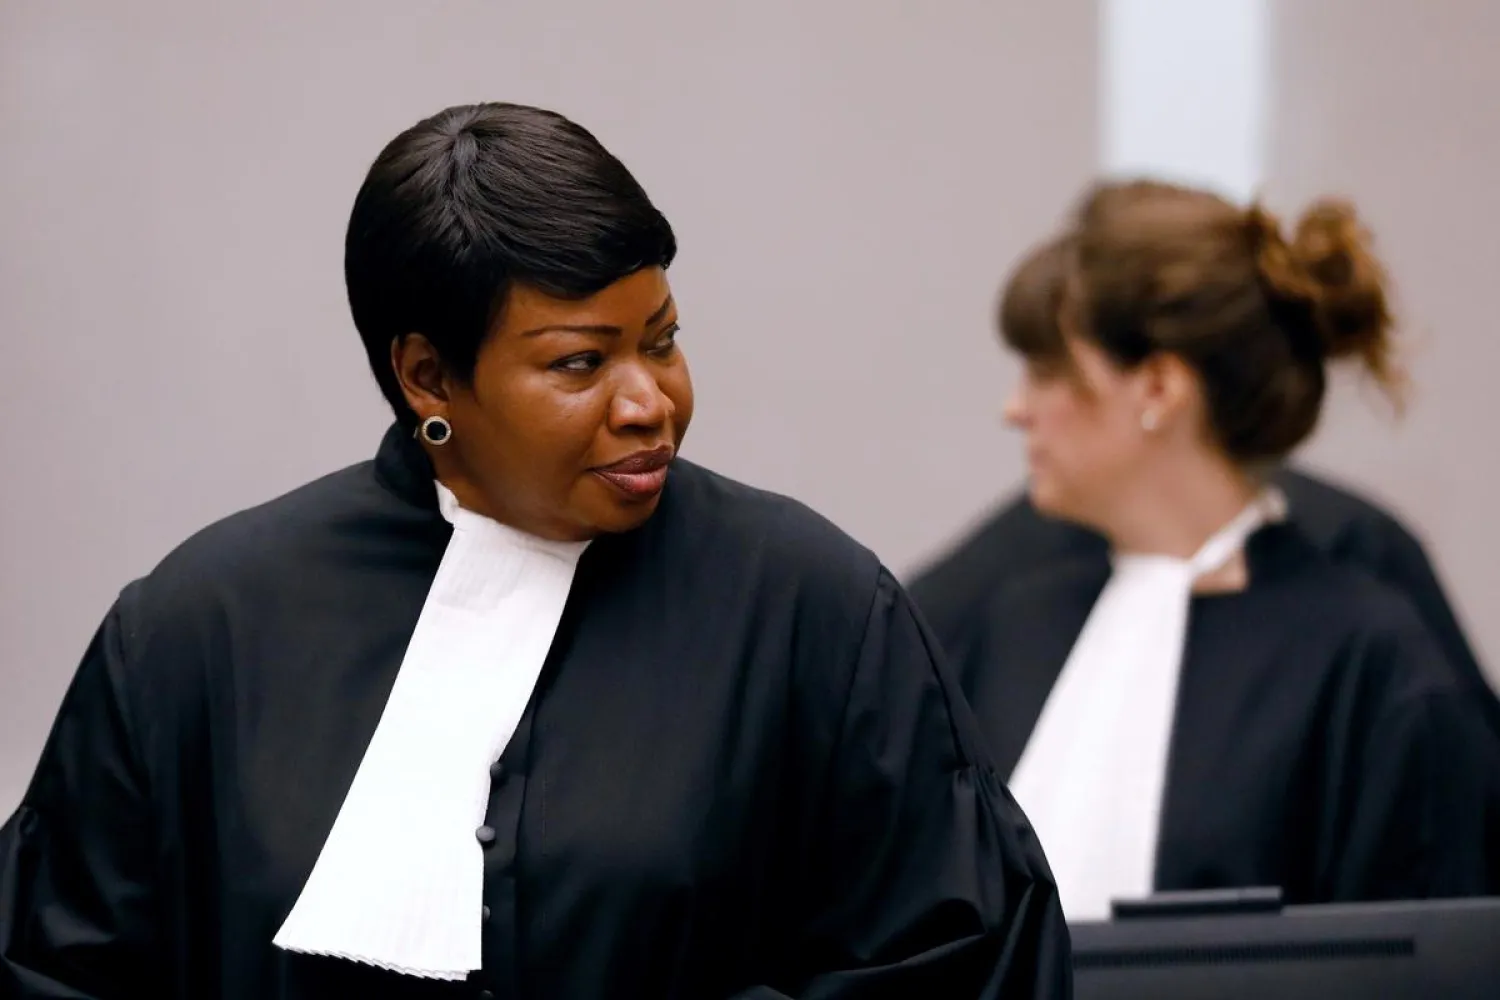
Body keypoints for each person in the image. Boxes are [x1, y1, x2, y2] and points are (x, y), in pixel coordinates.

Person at [0, 103, 1070, 999]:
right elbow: (55, 966)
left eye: (661, 338)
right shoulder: (202, 630)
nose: (649, 401)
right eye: (579, 362)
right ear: (428, 377)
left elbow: (969, 960)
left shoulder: (813, 606)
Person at [908, 180, 1491, 922]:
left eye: (1049, 371)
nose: (1014, 408)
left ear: (1157, 386)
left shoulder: (1370, 665)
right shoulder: (1015, 625)